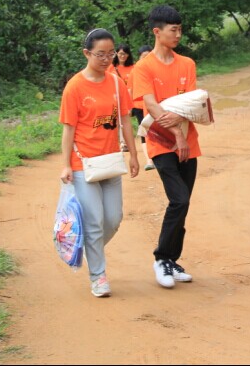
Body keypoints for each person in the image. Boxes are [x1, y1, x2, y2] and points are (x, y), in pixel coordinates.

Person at [59, 28, 140, 298]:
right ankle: (98, 276)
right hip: (83, 164)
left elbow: (126, 119)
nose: (107, 59)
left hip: (111, 162)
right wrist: (65, 165)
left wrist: (134, 154)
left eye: (110, 54)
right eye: (100, 54)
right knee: (94, 221)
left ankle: (89, 247)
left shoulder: (116, 82)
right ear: (86, 53)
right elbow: (68, 129)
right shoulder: (75, 87)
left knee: (113, 219)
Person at [131, 5, 200, 289]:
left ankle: (172, 260)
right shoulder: (143, 67)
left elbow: (192, 103)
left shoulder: (187, 64)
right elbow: (150, 104)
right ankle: (161, 258)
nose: (178, 34)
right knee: (179, 199)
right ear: (157, 32)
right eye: (174, 30)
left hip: (189, 143)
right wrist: (176, 134)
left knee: (183, 204)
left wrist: (183, 133)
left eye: (180, 29)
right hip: (160, 142)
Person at [129, 45, 156, 171]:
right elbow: (130, 89)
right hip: (139, 106)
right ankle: (149, 160)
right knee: (144, 131)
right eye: (143, 56)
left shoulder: (156, 68)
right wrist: (129, 107)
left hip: (155, 105)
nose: (146, 59)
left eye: (148, 56)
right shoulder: (136, 70)